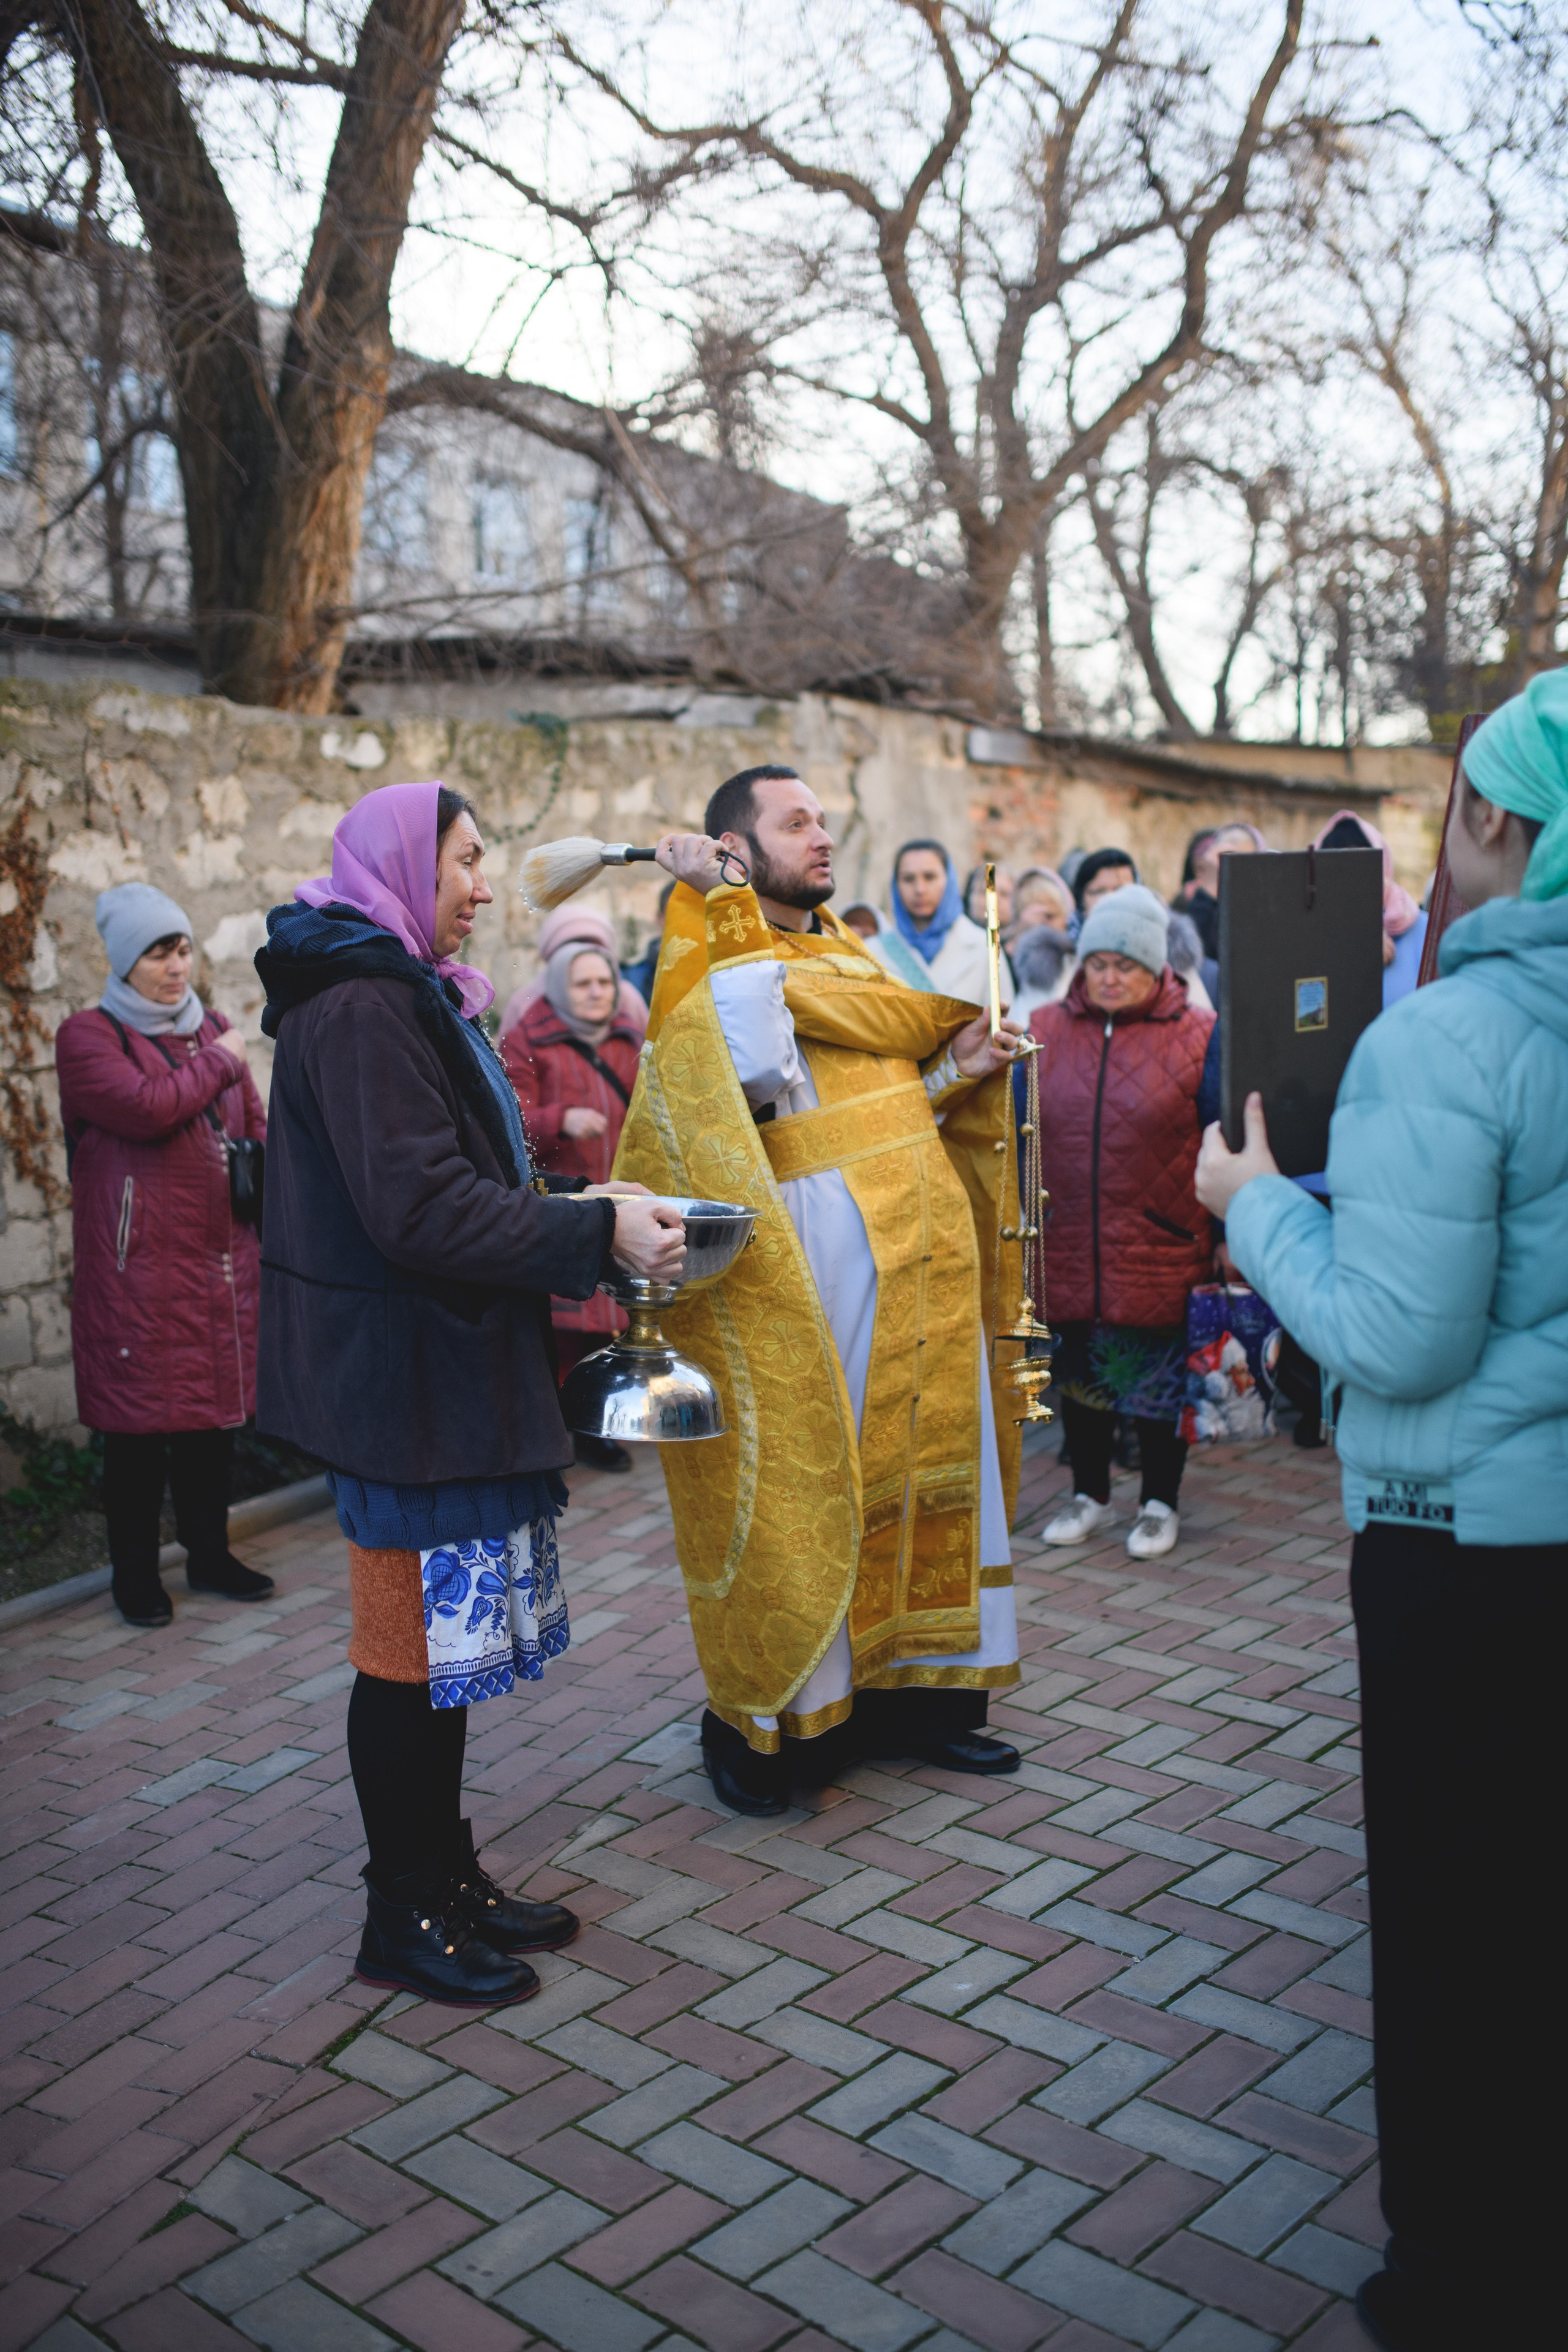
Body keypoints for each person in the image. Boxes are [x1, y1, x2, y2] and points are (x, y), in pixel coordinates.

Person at [1195, 671, 1568, 2352]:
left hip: (1468, 1551)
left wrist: (1255, 1205)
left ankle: (1466, 2280)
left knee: (1459, 1927)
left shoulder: (1451, 1035)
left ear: (1489, 816)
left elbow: (1400, 1334)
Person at [255, 779, 684, 2006]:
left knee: (439, 1657)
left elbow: (463, 1176)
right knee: (404, 1657)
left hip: (430, 1373)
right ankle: (402, 1913)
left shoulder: (402, 992)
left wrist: (582, 1203)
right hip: (400, 1385)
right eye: (466, 861)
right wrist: (591, 1237)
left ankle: (448, 1879)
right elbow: (419, 1211)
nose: (485, 887)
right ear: (405, 867)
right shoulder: (361, 1007)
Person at [617, 764, 1026, 1815]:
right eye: (794, 822)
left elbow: (895, 1096)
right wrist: (723, 904)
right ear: (738, 849)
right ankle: (778, 1725)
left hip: (921, 1262)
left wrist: (959, 1067)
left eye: (823, 820)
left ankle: (920, 1698)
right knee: (818, 1490)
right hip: (811, 1273)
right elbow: (751, 1076)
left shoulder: (848, 952)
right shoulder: (708, 948)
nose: (821, 836)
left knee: (921, 1474)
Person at [56, 883, 273, 1628]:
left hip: (218, 1259)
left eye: (182, 950)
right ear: (124, 962)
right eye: (158, 954)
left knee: (211, 1423)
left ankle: (209, 1556)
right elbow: (146, 1109)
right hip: (137, 1272)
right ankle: (136, 1576)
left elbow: (253, 1122)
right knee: (138, 1430)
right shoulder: (88, 1037)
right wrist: (223, 1059)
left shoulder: (210, 1029)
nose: (177, 966)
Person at [1027, 883, 1215, 1559]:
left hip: (1161, 1239)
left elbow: (1220, 1137)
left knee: (1156, 1387)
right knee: (1080, 1381)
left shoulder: (1200, 1033)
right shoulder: (1044, 1028)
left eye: (1126, 965)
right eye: (1097, 963)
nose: (1109, 977)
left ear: (1156, 966)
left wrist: (1226, 1238)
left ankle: (1159, 1503)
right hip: (1071, 1240)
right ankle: (1090, 1496)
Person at [501, 941, 642, 1473]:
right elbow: (508, 1119)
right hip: (561, 1202)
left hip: (618, 1200)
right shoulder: (526, 1039)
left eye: (605, 982)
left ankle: (592, 1427)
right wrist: (560, 1118)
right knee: (563, 1325)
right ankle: (557, 1427)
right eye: (584, 984)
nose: (596, 993)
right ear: (560, 986)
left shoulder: (630, 1038)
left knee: (608, 1322)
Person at [867, 838, 1014, 1005]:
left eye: (930, 877)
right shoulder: (874, 952)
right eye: (908, 879)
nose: (920, 889)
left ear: (949, 879)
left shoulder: (985, 947)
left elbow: (1004, 1015)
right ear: (896, 885)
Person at [497, 905, 649, 1044]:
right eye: (582, 984)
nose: (596, 993)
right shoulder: (525, 1005)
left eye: (593, 947)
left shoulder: (628, 999)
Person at [1180, 820, 1266, 959]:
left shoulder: (1265, 909)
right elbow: (1194, 951)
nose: (1232, 867)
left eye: (1241, 860)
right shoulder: (1191, 900)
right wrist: (1210, 887)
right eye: (1225, 857)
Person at [1069, 846, 1140, 934]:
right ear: (1081, 900)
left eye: (1122, 891)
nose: (1110, 899)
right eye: (1099, 892)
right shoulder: (1063, 940)